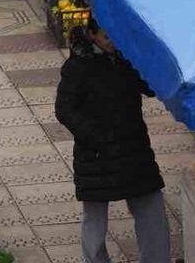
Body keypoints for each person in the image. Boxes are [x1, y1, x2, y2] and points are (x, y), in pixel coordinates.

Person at [55, 19, 170, 263]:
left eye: (115, 36)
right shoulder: (78, 66)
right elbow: (64, 109)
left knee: (151, 208)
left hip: (133, 147)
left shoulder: (125, 58)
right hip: (97, 154)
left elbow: (148, 86)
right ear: (91, 35)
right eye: (107, 37)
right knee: (95, 218)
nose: (113, 42)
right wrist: (97, 137)